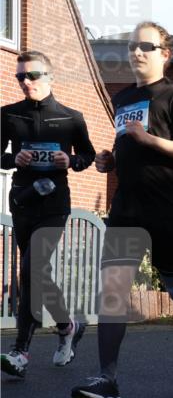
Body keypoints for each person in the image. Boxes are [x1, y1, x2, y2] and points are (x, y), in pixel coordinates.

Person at [70, 22, 173, 398]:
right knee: (112, 291)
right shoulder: (122, 98)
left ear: (165, 53)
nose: (136, 52)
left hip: (167, 209)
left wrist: (151, 140)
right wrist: (109, 160)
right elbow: (127, 148)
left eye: (145, 46)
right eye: (132, 46)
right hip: (126, 210)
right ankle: (108, 380)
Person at [1, 50, 94, 378]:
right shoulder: (9, 115)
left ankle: (21, 352)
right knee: (36, 274)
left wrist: (71, 162)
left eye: (32, 75)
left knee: (30, 268)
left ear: (50, 77)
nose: (26, 82)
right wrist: (14, 160)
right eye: (20, 77)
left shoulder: (71, 117)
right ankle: (68, 325)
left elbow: (88, 155)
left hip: (55, 205)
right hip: (23, 203)